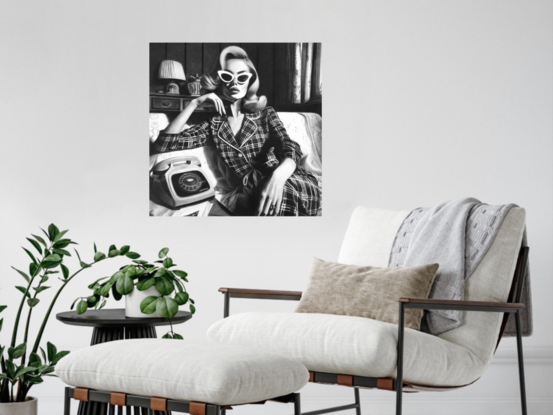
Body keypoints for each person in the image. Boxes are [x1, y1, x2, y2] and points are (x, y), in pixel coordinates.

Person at [153, 46, 321, 216]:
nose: (234, 83)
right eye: (227, 76)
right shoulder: (213, 125)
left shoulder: (265, 113)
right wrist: (195, 103)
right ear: (218, 81)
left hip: (289, 177)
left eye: (242, 77)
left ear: (250, 81)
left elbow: (289, 145)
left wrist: (278, 176)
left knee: (283, 193)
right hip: (253, 190)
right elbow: (164, 144)